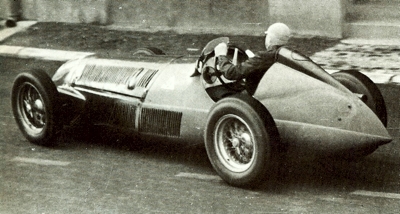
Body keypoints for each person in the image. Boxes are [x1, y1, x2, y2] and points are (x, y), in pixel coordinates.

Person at [214, 23, 291, 93]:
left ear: (269, 39)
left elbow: (231, 73)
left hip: (260, 97)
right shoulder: (289, 54)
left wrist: (221, 55)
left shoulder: (265, 57)